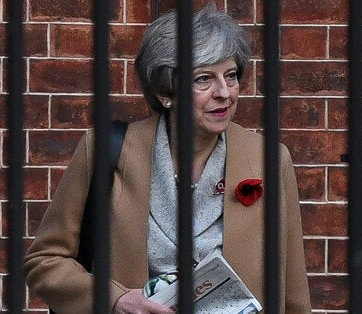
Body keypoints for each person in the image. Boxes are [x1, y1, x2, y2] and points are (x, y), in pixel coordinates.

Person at [24, 4, 311, 313]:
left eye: (230, 76)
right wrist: (115, 299)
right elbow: (45, 261)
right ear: (165, 92)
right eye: (204, 79)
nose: (224, 92)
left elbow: (292, 289)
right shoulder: (107, 150)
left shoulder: (268, 159)